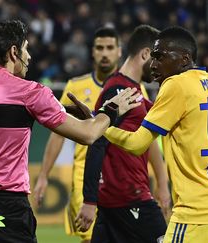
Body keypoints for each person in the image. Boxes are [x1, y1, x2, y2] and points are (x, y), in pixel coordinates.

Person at [0, 20, 140, 243]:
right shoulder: (30, 92)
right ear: (14, 52)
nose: (29, 57)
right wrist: (111, 110)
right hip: (7, 206)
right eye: (26, 48)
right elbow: (88, 134)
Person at [102, 26, 208, 242]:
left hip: (199, 211)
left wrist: (100, 125)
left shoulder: (176, 85)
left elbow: (137, 144)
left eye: (160, 57)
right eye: (152, 57)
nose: (153, 64)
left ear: (184, 59)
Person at [75, 25, 169, 243]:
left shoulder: (132, 92)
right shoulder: (118, 91)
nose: (158, 66)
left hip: (115, 201)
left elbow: (151, 135)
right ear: (145, 54)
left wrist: (162, 185)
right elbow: (97, 142)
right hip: (129, 196)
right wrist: (89, 200)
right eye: (157, 58)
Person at [33, 26, 122, 243]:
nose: (104, 53)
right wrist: (44, 175)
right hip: (85, 175)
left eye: (110, 48)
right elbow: (57, 133)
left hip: (121, 174)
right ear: (92, 52)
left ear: (119, 51)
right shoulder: (76, 86)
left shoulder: (132, 87)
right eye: (99, 48)